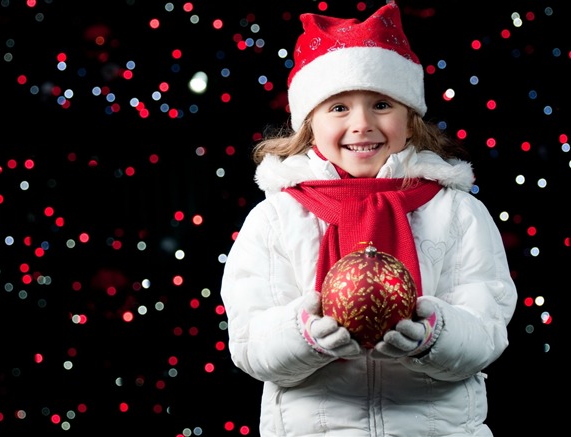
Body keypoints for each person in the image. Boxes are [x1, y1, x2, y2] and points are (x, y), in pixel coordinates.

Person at [220, 2, 518, 436]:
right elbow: (250, 344)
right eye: (338, 108)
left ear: (410, 120)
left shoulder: (457, 212)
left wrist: (431, 334)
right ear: (309, 124)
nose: (362, 124)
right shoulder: (277, 219)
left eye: (381, 104)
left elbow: (488, 331)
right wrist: (308, 333)